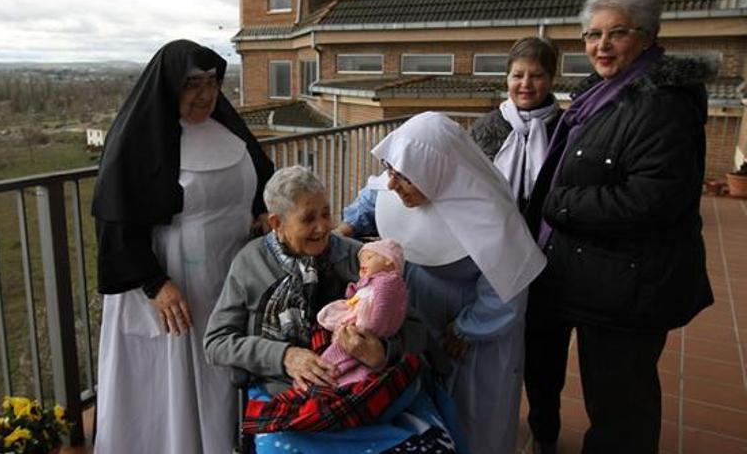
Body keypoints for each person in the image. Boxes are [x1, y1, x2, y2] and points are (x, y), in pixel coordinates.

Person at [525, 0, 715, 454]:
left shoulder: (662, 104)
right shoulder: (605, 92)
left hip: (628, 286)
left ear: (648, 35)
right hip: (585, 269)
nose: (601, 45)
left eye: (617, 33)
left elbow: (653, 200)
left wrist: (558, 202)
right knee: (553, 370)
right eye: (592, 34)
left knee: (619, 407)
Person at [91, 39, 273, 453]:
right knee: (173, 381)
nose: (206, 95)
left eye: (212, 81)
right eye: (192, 84)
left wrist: (264, 211)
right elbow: (116, 220)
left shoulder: (226, 127)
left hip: (230, 275)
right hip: (172, 286)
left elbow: (261, 176)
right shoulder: (139, 141)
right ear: (170, 85)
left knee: (221, 371)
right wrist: (155, 283)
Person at [204, 166, 462, 453]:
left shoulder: (359, 258)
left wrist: (382, 350)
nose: (323, 227)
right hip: (290, 394)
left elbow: (415, 329)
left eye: (326, 214)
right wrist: (285, 356)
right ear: (277, 223)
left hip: (364, 390)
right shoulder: (250, 263)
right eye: (308, 219)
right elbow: (217, 341)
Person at [338, 111, 546, 454]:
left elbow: (507, 289)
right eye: (392, 171)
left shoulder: (489, 211)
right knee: (425, 408)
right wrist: (346, 227)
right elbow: (374, 196)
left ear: (433, 171)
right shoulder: (399, 182)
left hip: (473, 332)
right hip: (422, 312)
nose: (392, 183)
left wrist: (467, 328)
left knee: (473, 416)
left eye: (402, 176)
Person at [469, 36, 562, 210]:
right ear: (507, 78)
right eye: (517, 75)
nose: (525, 84)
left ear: (551, 79)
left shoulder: (567, 128)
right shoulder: (483, 128)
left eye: (536, 76)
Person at [317, 238, 408, 386]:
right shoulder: (376, 282)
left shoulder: (388, 283)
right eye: (361, 263)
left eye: (369, 258)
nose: (363, 265)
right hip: (356, 329)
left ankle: (330, 378)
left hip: (363, 334)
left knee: (337, 360)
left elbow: (380, 311)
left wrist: (365, 329)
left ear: (389, 261)